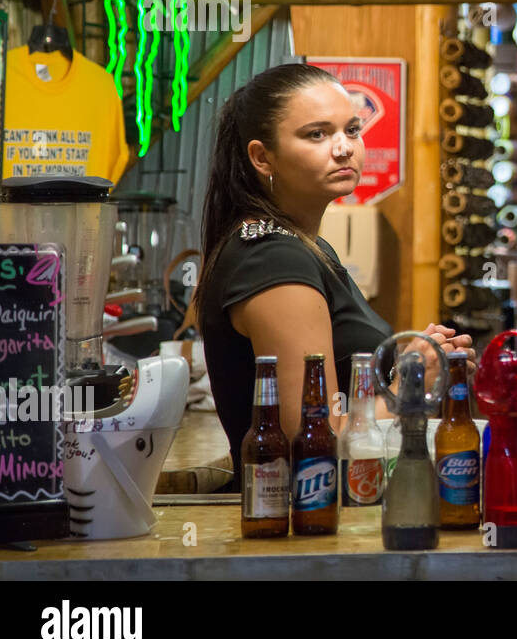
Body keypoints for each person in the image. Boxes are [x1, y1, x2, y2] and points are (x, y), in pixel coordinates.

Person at [195, 63, 472, 488]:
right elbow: (307, 441)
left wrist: (414, 359)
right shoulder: (272, 259)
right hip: (296, 525)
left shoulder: (306, 246)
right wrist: (410, 388)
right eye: (317, 135)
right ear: (261, 156)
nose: (343, 148)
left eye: (352, 130)